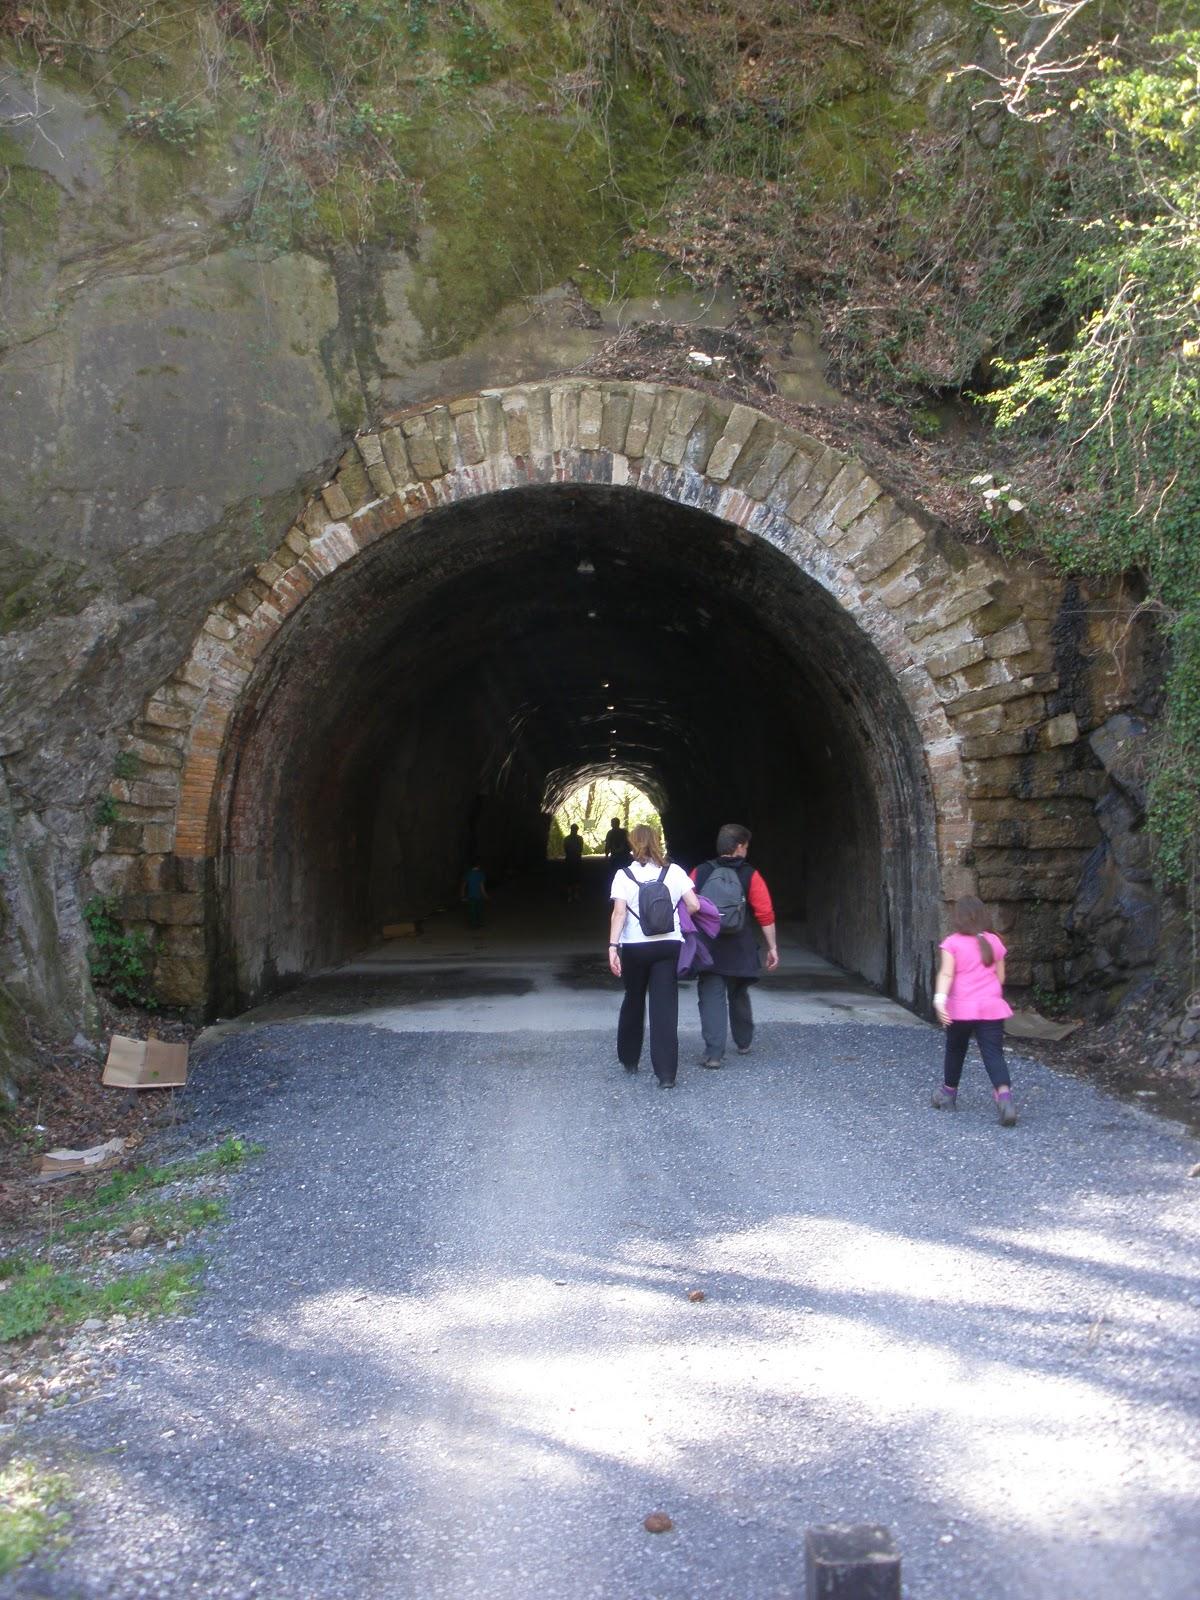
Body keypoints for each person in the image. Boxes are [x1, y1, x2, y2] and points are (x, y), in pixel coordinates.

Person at [608, 823, 700, 1088]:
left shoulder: (623, 875)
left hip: (635, 946)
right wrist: (676, 917)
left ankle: (629, 1059)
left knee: (633, 999)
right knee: (664, 1008)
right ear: (658, 841)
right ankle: (667, 1074)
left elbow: (619, 913)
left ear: (632, 844)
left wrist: (613, 947)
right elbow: (693, 905)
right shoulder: (675, 871)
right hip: (667, 946)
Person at [690, 824, 779, 1068]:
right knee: (739, 992)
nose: (747, 851)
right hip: (740, 946)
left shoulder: (701, 872)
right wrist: (772, 947)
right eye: (746, 846)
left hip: (709, 944)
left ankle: (714, 1054)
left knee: (711, 996)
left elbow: (685, 906)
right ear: (739, 847)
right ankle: (743, 1041)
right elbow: (765, 912)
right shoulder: (750, 874)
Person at [932, 894, 1016, 1126]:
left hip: (960, 1010)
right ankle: (1004, 1096)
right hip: (991, 1008)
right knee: (993, 1053)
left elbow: (947, 974)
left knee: (955, 1049)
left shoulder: (952, 943)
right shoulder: (995, 942)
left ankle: (948, 1093)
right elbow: (1000, 977)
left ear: (957, 918)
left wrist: (940, 1000)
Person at [461, 862, 487, 928]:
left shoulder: (468, 874)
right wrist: (485, 895)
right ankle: (479, 923)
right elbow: (481, 886)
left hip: (470, 896)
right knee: (479, 910)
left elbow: (463, 885)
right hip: (479, 896)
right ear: (478, 865)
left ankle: (473, 924)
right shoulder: (480, 874)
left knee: (472, 911)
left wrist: (463, 895)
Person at [562, 823, 584, 902]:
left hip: (570, 860)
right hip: (576, 860)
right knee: (575, 877)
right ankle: (575, 895)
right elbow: (580, 849)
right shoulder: (579, 839)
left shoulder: (567, 839)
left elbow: (566, 849)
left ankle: (571, 895)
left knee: (570, 877)